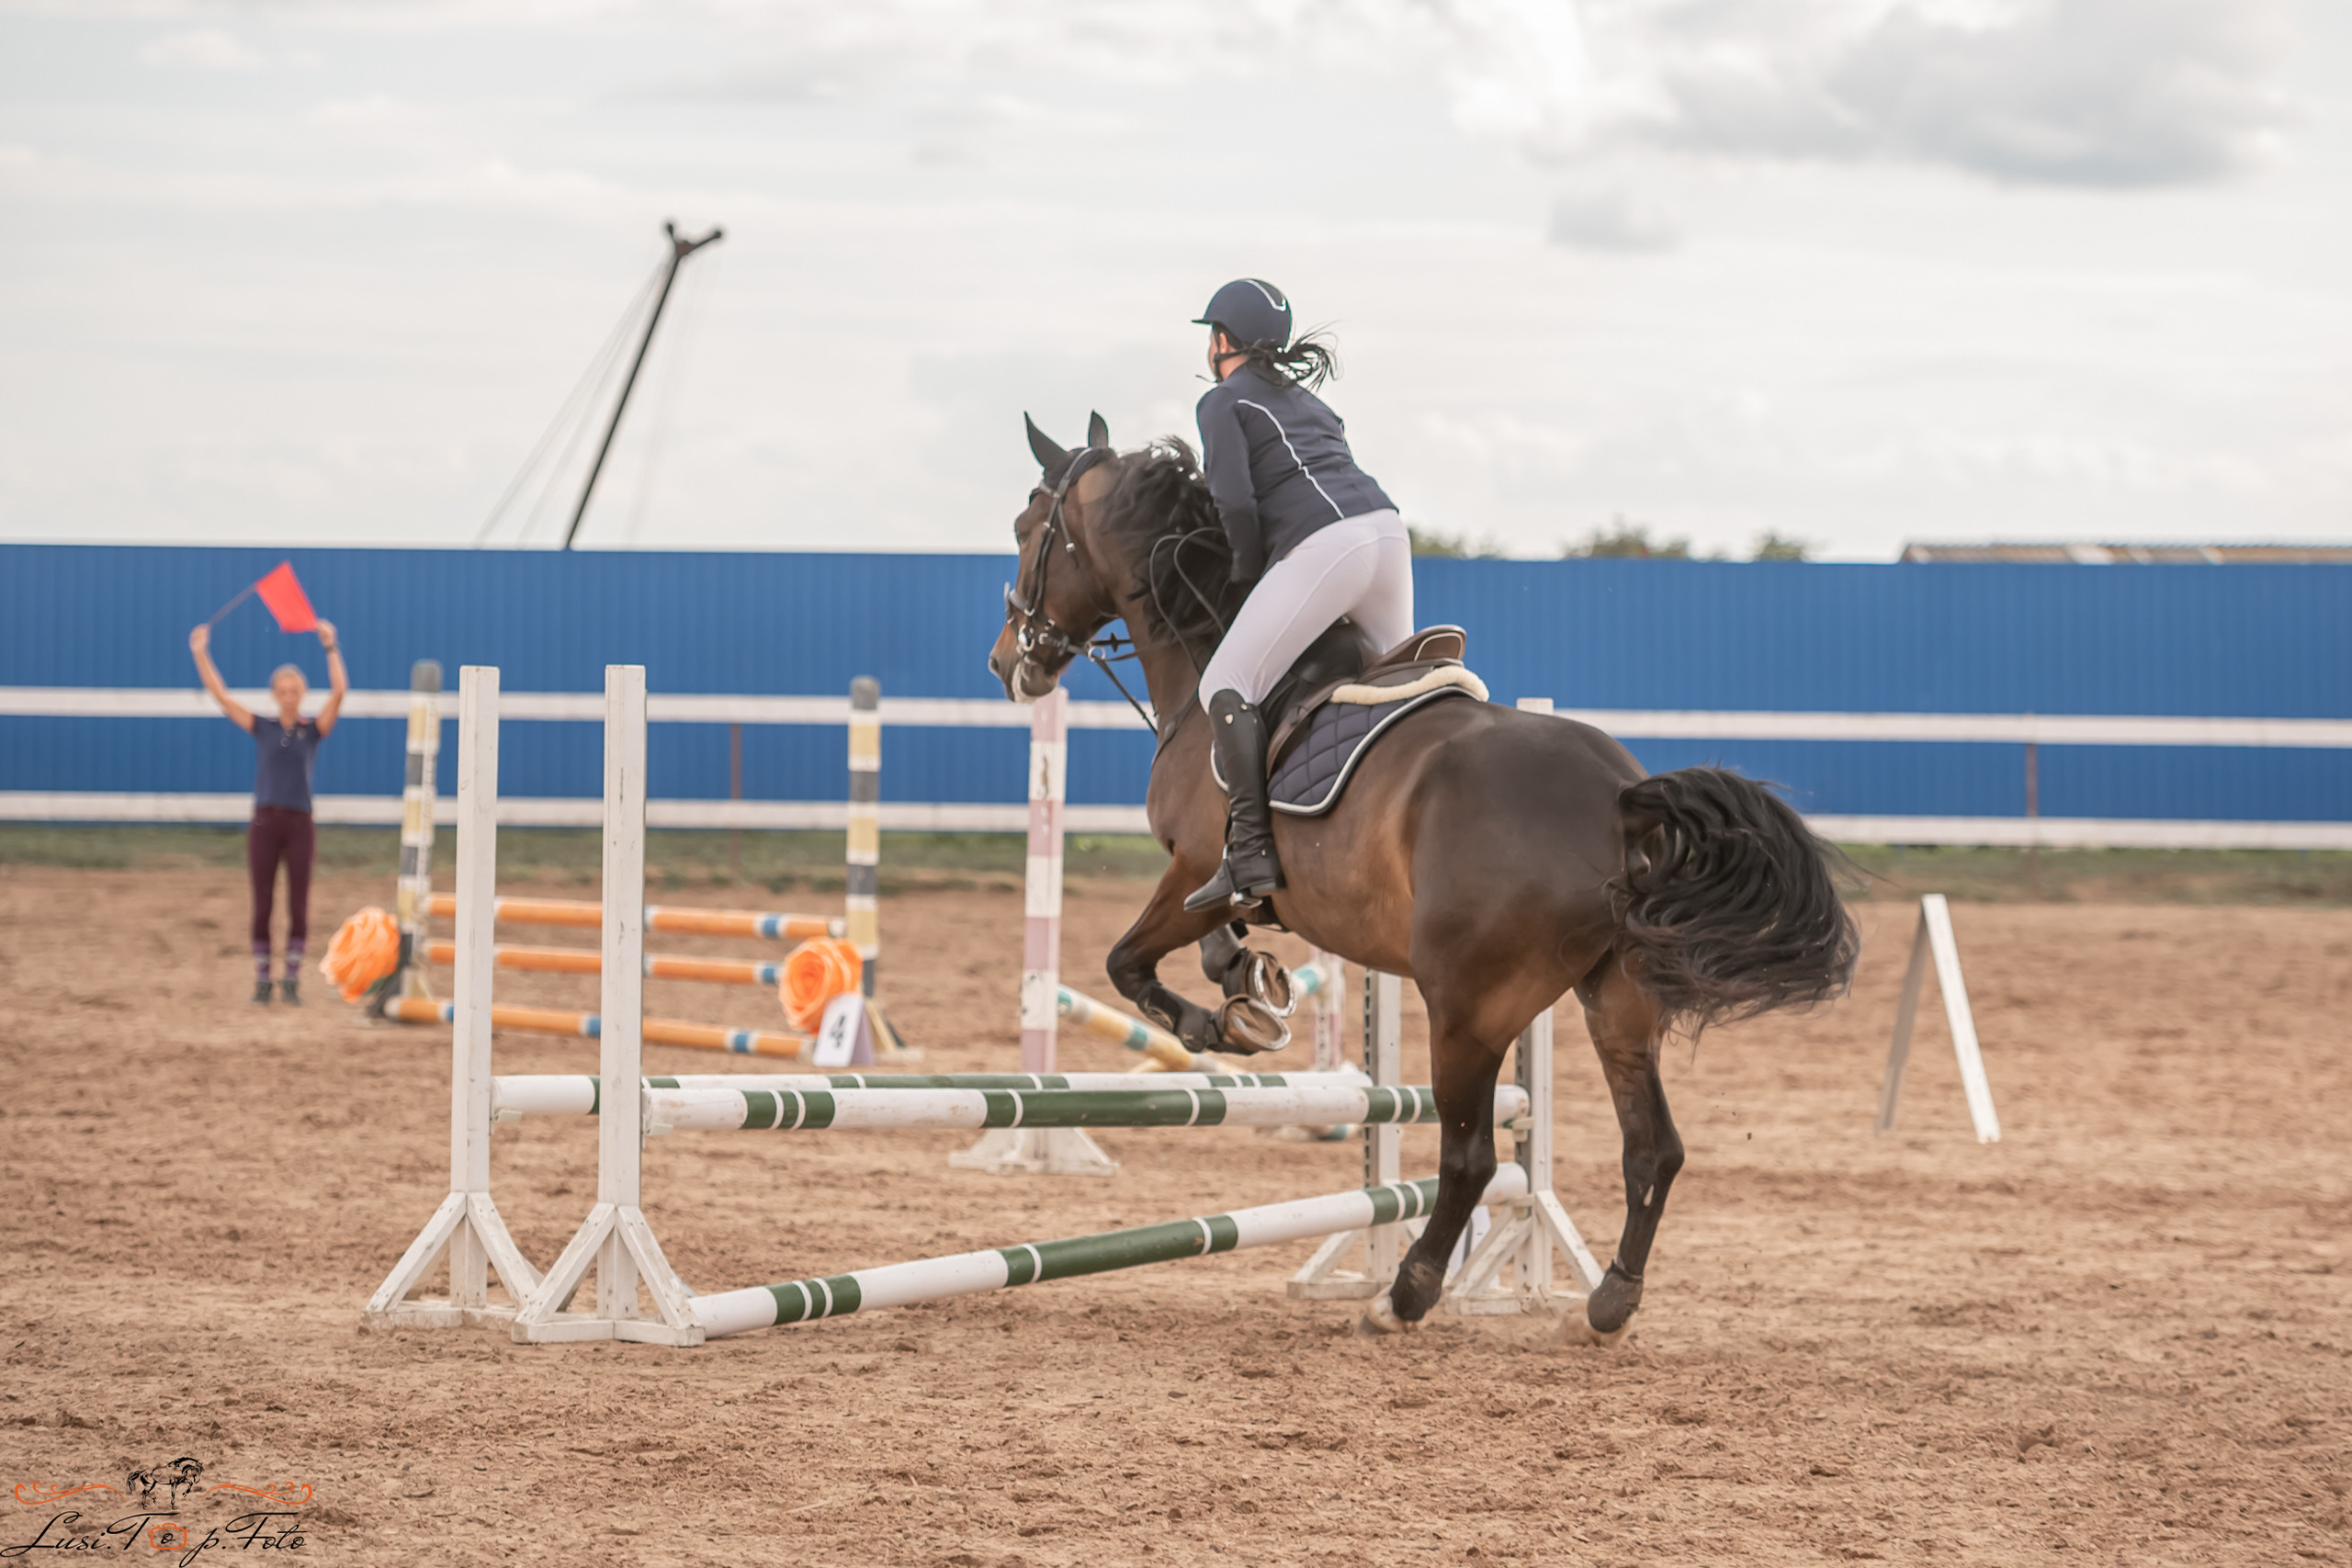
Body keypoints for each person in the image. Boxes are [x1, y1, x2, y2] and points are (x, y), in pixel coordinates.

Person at [1183, 277, 1411, 912]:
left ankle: (1250, 851)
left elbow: (1234, 500)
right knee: (1402, 684)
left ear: (1222, 340)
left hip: (1327, 545)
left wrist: (1246, 572)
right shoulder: (1314, 406)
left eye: (1211, 335)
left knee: (1224, 681)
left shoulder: (1222, 402)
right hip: (1389, 535)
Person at [188, 619, 346, 1004]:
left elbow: (340, 691)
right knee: (262, 903)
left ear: (302, 693)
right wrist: (200, 652)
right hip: (265, 823)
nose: (289, 696)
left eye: (295, 691)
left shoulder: (312, 731)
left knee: (298, 903)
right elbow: (221, 696)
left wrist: (330, 646)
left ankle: (291, 978)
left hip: (299, 824)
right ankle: (262, 979)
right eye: (283, 691)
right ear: (275, 694)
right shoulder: (262, 727)